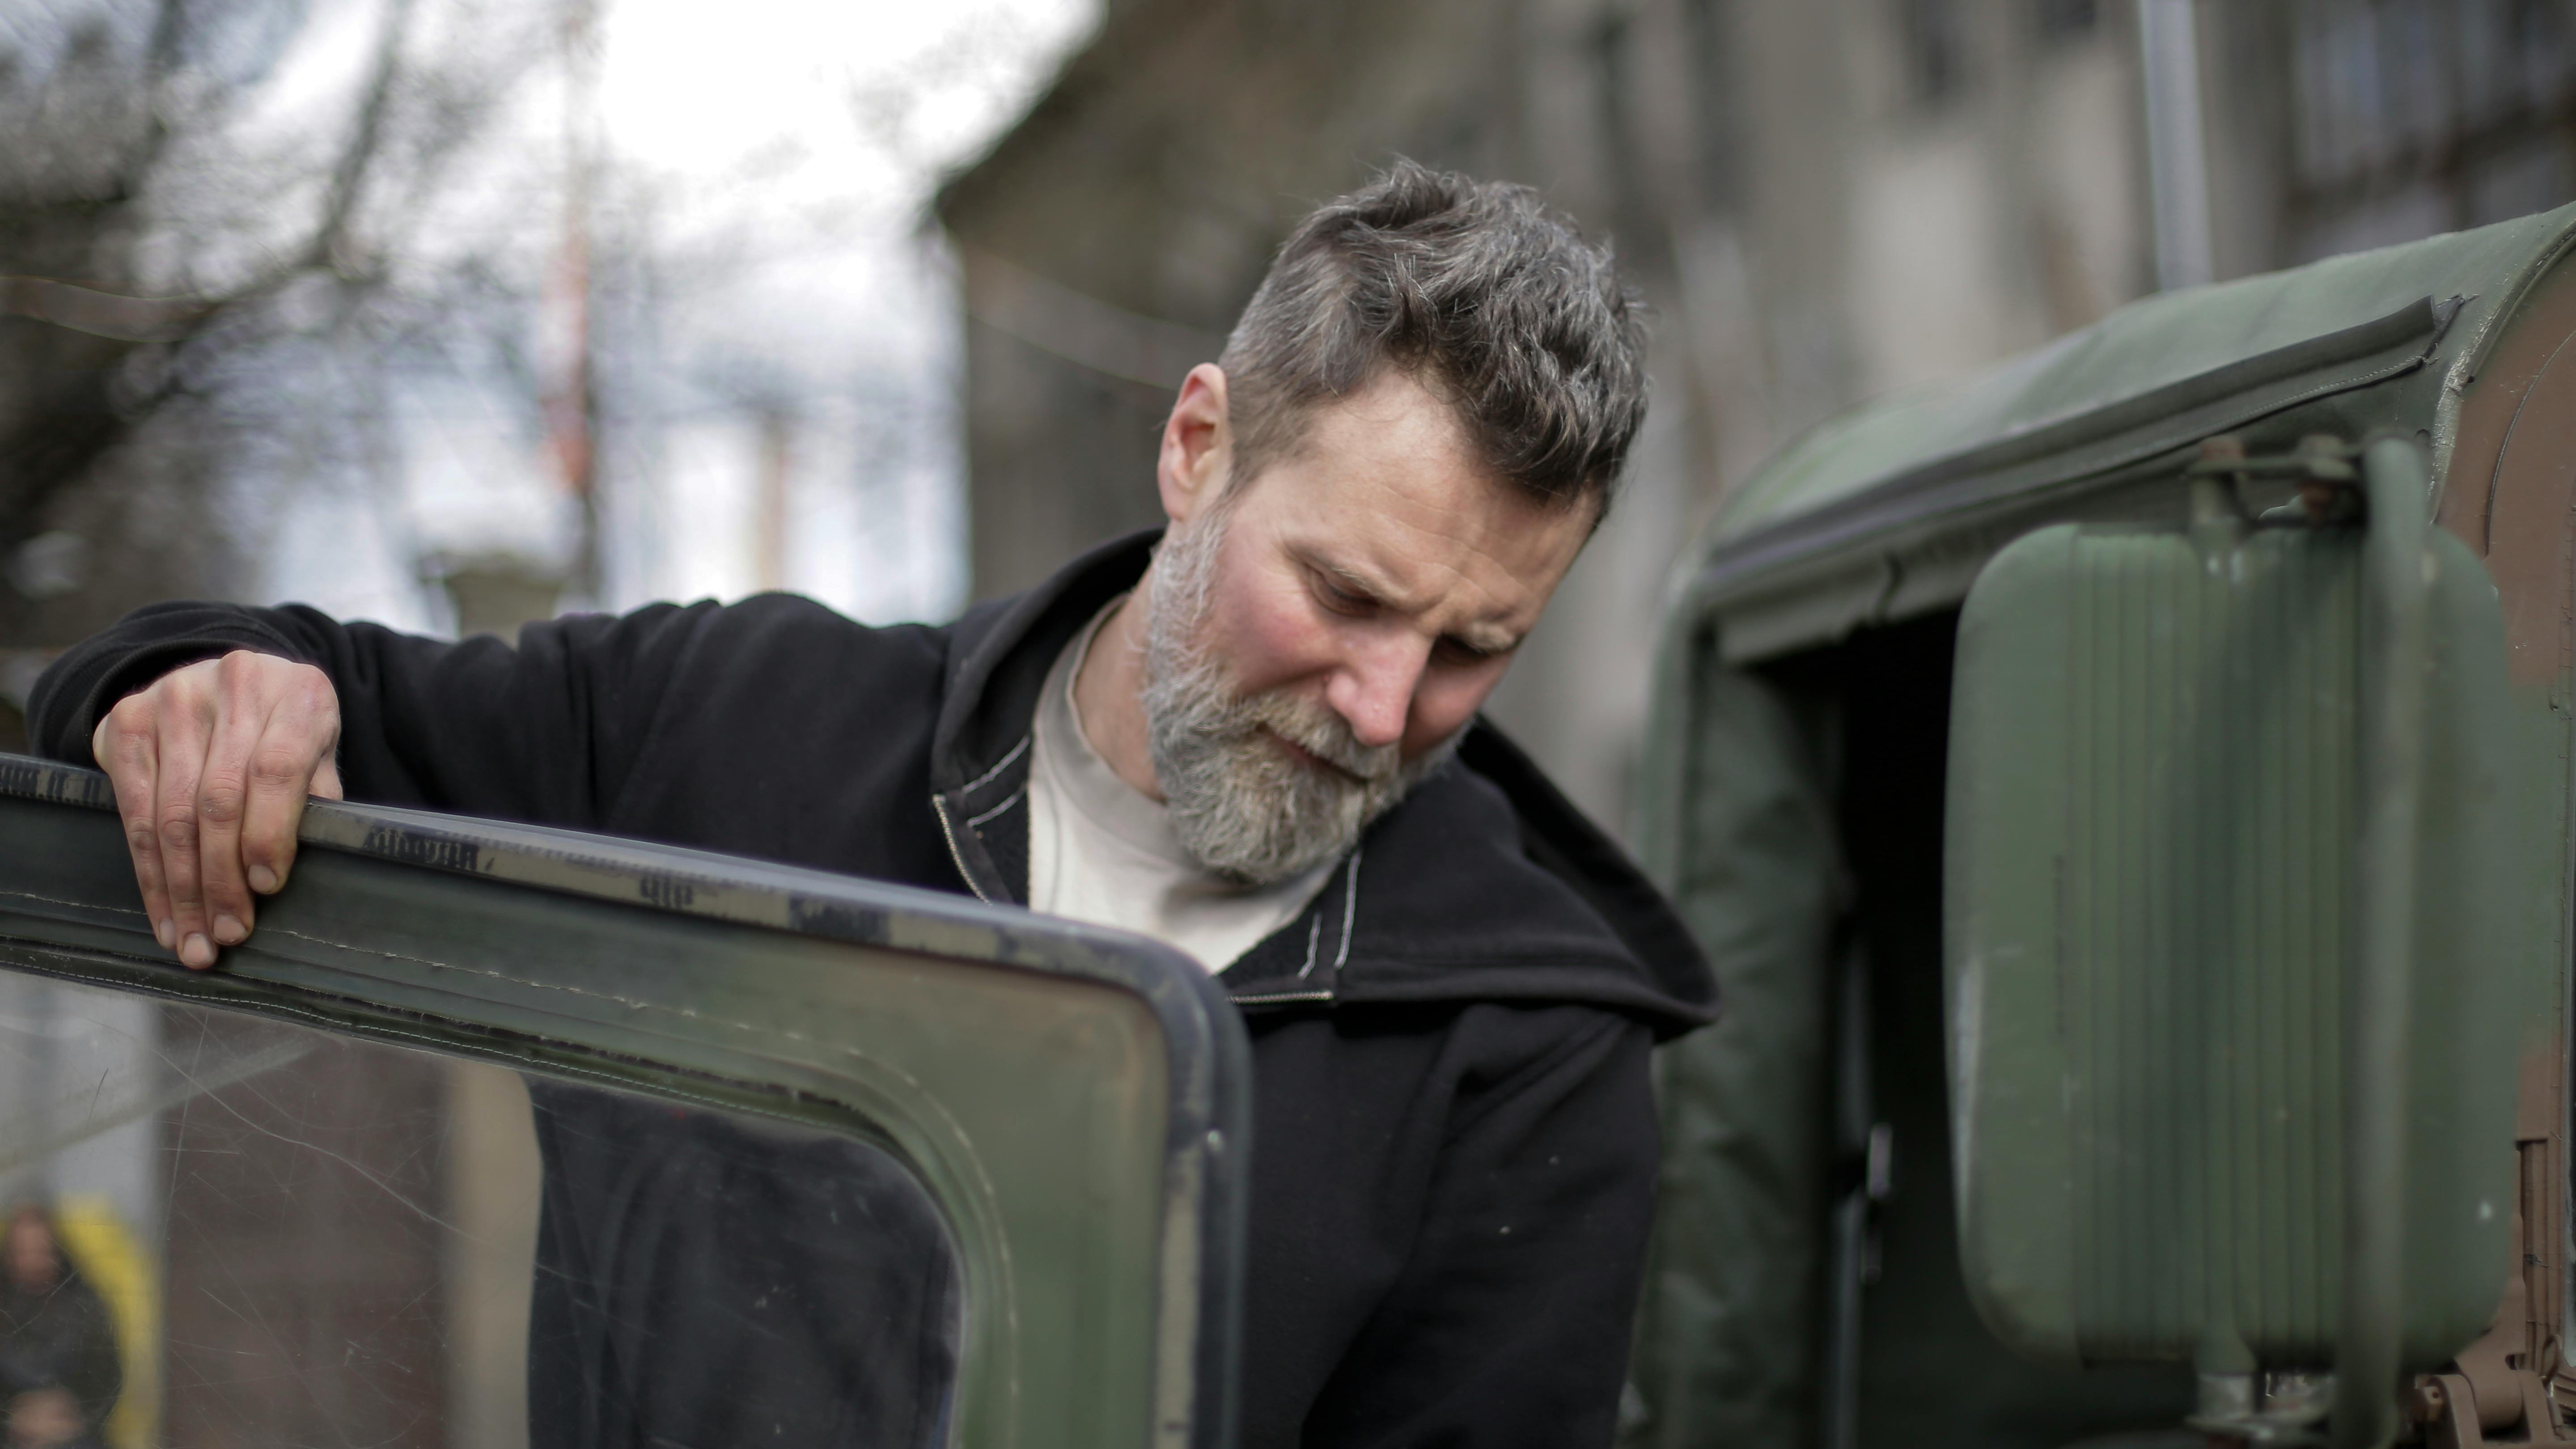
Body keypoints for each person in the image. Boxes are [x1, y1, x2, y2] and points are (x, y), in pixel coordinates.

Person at [29, 160, 1716, 1447]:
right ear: (1196, 447)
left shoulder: (1528, 1044)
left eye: (1469, 647)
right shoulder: (719, 728)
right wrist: (201, 696)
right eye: (1343, 594)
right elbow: (230, 680)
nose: (1377, 705)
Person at [0, 1208, 117, 1448]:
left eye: (43, 1251)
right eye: (25, 1253)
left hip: (73, 1434)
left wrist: (69, 1415)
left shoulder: (83, 1304)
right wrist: (15, 1417)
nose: (35, 1263)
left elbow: (109, 1379)